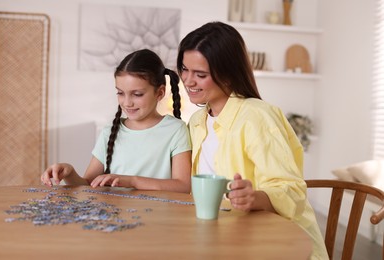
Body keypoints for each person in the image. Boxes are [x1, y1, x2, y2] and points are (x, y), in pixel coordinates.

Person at [177, 21, 328, 259]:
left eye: (200, 74)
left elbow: (292, 190)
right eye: (184, 69)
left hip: (278, 244)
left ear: (227, 74)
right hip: (220, 236)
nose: (188, 81)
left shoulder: (257, 116)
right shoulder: (197, 120)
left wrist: (255, 197)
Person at [41, 49, 191, 193]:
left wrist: (132, 182)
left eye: (137, 94)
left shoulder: (176, 130)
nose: (127, 103)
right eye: (120, 93)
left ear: (160, 93)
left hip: (157, 218)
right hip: (113, 216)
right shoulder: (109, 132)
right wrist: (70, 173)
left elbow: (183, 185)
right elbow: (87, 186)